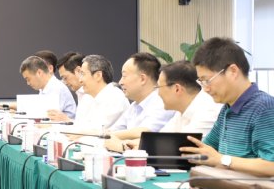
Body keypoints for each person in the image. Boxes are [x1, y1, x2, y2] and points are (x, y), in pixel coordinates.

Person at [180, 37, 274, 176]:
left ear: (233, 71)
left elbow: (271, 165)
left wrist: (223, 160)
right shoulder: (228, 107)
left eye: (207, 80)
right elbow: (206, 149)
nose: (205, 89)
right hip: (226, 185)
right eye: (202, 82)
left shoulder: (264, 107)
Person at [105, 52, 175, 152]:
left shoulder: (162, 102)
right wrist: (110, 136)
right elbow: (115, 131)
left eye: (124, 76)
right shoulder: (134, 105)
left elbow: (145, 132)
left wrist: (110, 136)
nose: (120, 82)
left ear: (142, 79)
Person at [70, 54, 129, 132]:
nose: (80, 80)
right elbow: (78, 127)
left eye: (83, 74)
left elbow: (97, 132)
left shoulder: (116, 98)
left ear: (98, 75)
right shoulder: (86, 98)